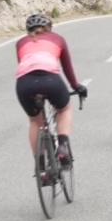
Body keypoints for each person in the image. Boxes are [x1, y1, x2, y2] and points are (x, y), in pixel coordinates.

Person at [15, 14, 85, 175]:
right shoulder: (57, 38)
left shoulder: (21, 43)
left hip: (25, 83)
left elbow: (24, 66)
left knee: (34, 120)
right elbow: (67, 68)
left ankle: (40, 166)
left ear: (28, 30)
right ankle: (62, 145)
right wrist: (76, 86)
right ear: (49, 28)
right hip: (51, 80)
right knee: (64, 109)